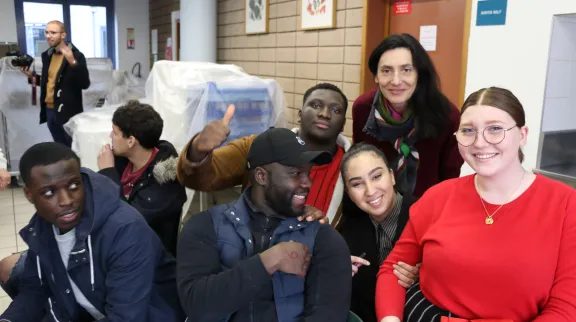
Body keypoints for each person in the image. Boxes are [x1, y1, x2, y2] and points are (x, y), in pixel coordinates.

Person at [376, 87, 576, 322]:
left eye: (495, 129)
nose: (480, 143)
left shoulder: (565, 204)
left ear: (522, 135)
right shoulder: (438, 197)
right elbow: (393, 270)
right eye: (468, 130)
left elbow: (566, 307)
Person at [177, 127, 353, 321]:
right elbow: (197, 306)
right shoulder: (205, 226)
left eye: (308, 173)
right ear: (261, 176)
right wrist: (268, 262)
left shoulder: (324, 239)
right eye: (296, 174)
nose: (308, 183)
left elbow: (327, 316)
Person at [0, 142, 184, 321]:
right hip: (92, 310)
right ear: (29, 195)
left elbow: (126, 317)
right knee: (10, 269)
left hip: (149, 315)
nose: (66, 201)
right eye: (49, 192)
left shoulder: (125, 229)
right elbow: (36, 289)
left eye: (73, 186)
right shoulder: (43, 226)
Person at [177, 83, 351, 224]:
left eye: (335, 110)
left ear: (343, 124)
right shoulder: (261, 147)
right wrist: (198, 150)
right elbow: (198, 178)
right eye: (315, 105)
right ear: (299, 115)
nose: (324, 114)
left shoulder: (353, 167)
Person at [352, 34, 462, 198]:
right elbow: (359, 163)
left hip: (428, 208)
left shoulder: (447, 115)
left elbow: (450, 178)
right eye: (386, 71)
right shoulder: (363, 109)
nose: (396, 81)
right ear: (376, 76)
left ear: (419, 74)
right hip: (375, 206)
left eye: (406, 70)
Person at [337, 143, 418, 322]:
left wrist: (426, 274)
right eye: (357, 184)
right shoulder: (348, 232)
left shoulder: (424, 215)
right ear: (349, 193)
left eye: (377, 176)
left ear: (392, 176)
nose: (370, 191)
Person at [97, 100, 186, 256]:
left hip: (145, 257)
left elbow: (126, 223)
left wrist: (107, 173)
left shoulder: (164, 185)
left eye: (115, 132)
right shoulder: (123, 160)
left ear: (131, 141)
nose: (110, 136)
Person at [19, 20, 90, 148]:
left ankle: (76, 169)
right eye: (46, 32)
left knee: (73, 149)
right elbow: (50, 82)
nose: (48, 36)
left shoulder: (77, 56)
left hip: (68, 112)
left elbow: (85, 83)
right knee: (60, 148)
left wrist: (72, 62)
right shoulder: (48, 55)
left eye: (53, 32)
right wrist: (31, 76)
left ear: (63, 35)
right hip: (49, 110)